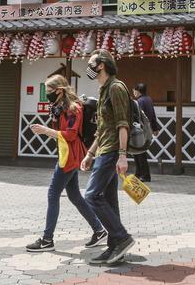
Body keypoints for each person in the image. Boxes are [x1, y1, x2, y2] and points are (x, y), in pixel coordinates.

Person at [25, 74, 106, 252]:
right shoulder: (59, 107)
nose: (47, 94)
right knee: (74, 195)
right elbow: (60, 131)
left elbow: (69, 134)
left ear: (60, 91)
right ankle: (99, 230)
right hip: (67, 154)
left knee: (53, 194)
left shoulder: (73, 108)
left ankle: (47, 239)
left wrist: (45, 131)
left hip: (70, 155)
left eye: (49, 91)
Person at [81, 50, 135, 265]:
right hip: (103, 149)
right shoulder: (103, 89)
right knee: (110, 201)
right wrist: (90, 153)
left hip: (112, 151)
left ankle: (121, 238)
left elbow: (123, 123)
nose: (89, 67)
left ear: (101, 64)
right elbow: (101, 129)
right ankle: (115, 247)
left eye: (91, 63)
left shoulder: (116, 87)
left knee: (92, 196)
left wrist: (122, 155)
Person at [131, 83, 160, 183]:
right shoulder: (148, 99)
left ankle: (144, 175)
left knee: (139, 152)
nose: (133, 93)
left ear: (138, 91)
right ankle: (139, 173)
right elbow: (153, 115)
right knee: (140, 152)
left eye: (134, 91)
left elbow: (137, 116)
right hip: (147, 129)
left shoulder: (139, 102)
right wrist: (155, 128)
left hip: (139, 130)